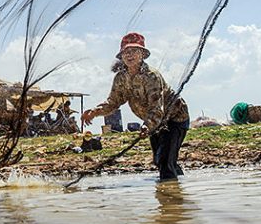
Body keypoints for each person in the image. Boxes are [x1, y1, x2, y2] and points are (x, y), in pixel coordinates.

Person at [81, 32, 190, 180]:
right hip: (153, 122)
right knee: (160, 160)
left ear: (142, 54)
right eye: (126, 52)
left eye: (134, 51)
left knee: (164, 161)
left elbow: (157, 108)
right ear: (122, 56)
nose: (129, 55)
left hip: (174, 118)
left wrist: (146, 126)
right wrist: (95, 112)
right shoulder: (121, 78)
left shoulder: (152, 76)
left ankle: (172, 197)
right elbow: (113, 102)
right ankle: (178, 182)